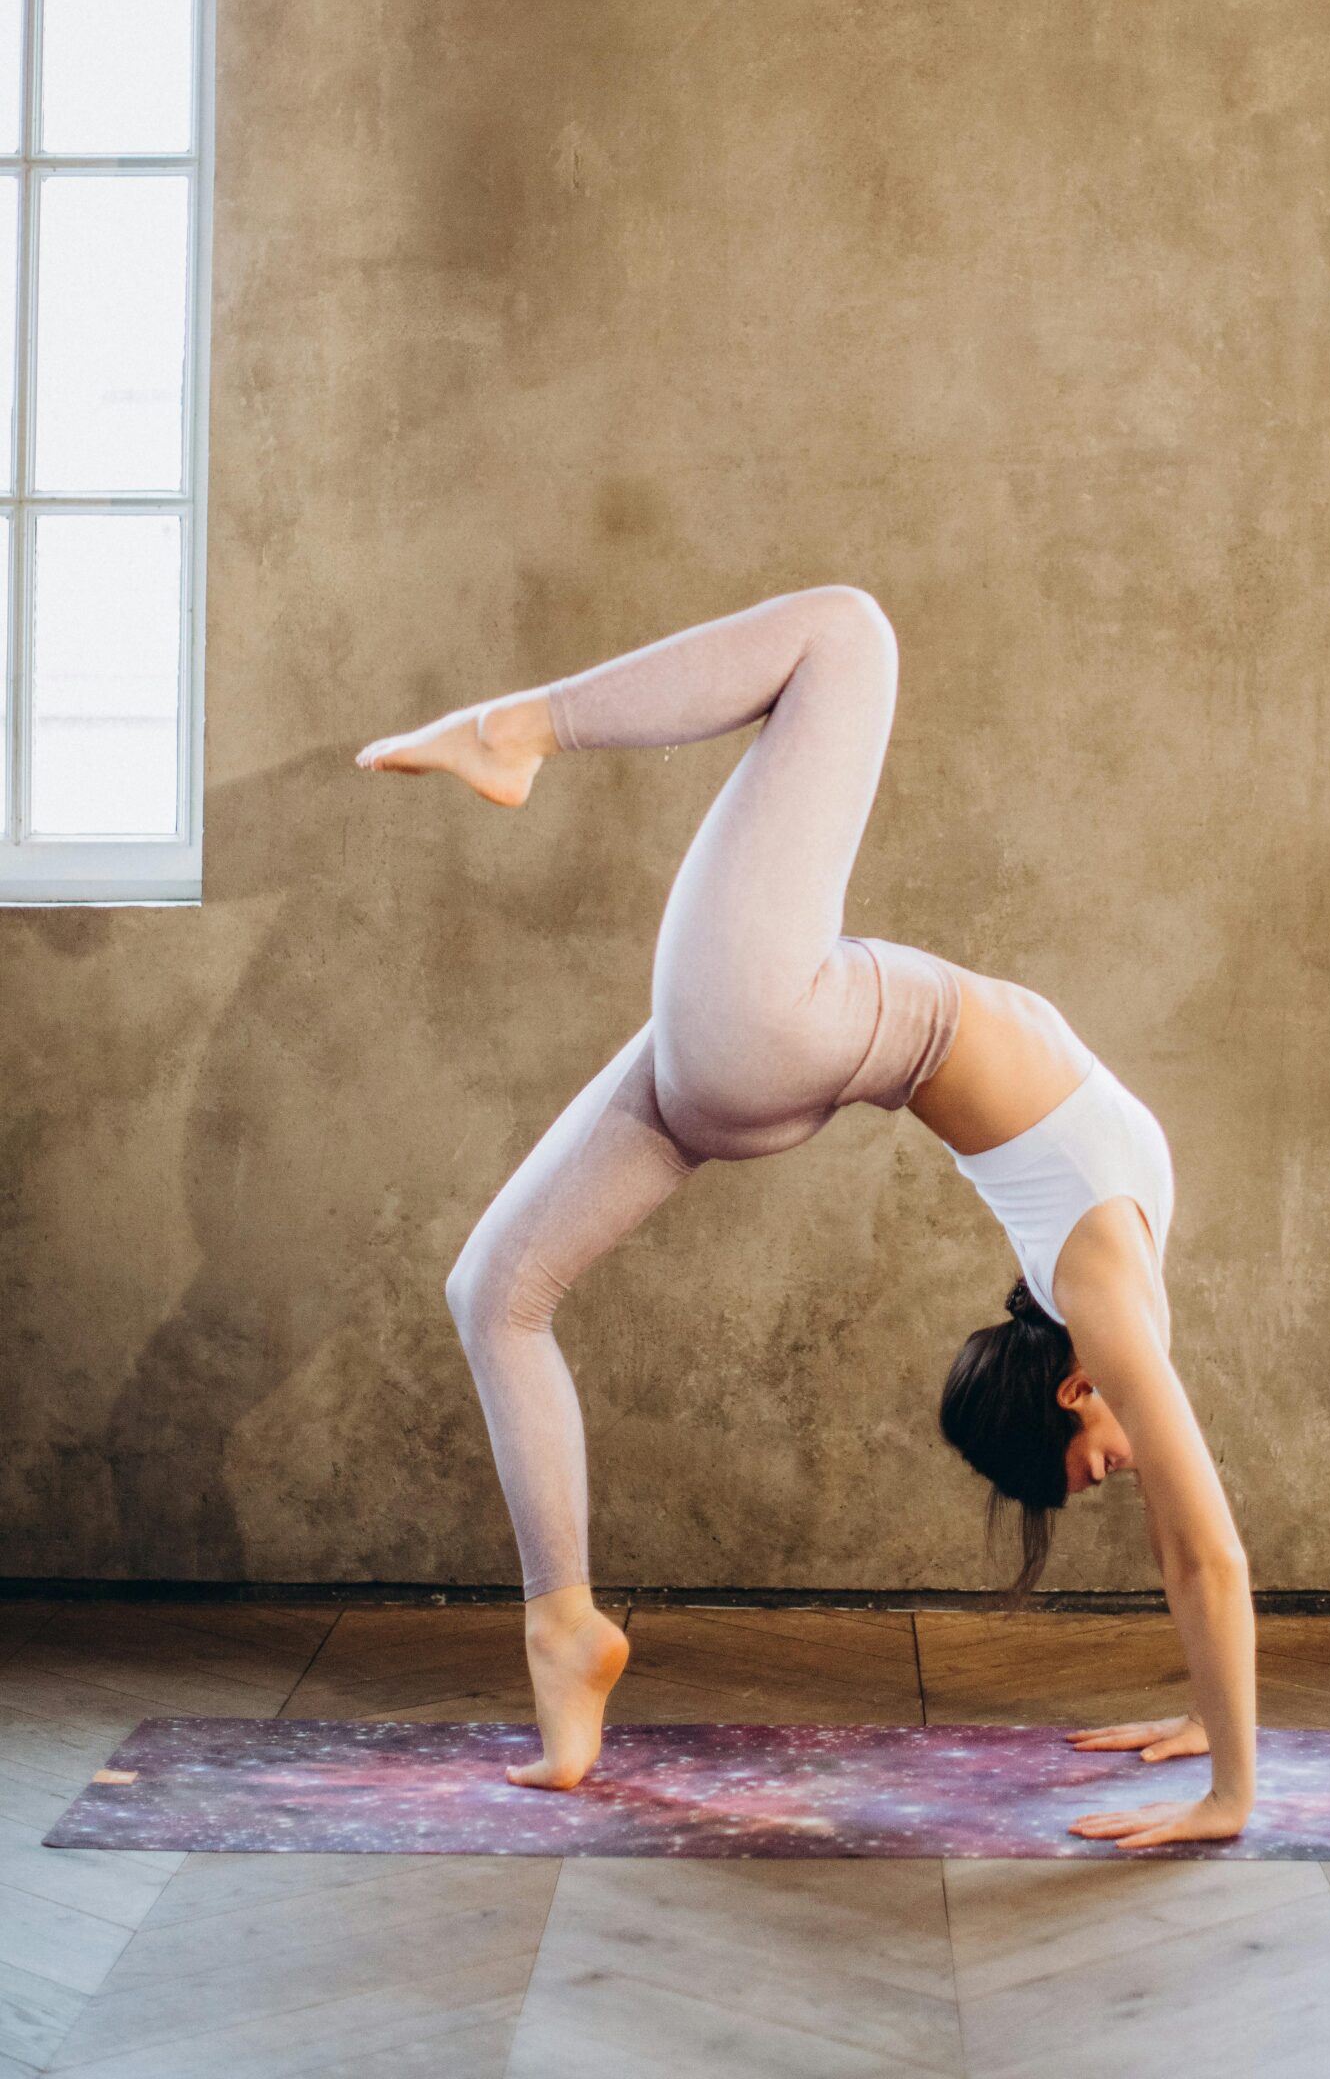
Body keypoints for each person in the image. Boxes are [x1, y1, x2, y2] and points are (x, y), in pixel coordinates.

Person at [357, 586, 1255, 1849]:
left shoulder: (1105, 1293)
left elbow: (1190, 1544)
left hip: (784, 1032)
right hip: (778, 1039)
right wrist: (1224, 1777)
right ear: (1067, 1394)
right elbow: (1200, 1551)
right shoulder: (1111, 1288)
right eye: (1093, 1465)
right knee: (492, 1293)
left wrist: (1221, 1752)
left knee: (854, 630)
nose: (1118, 1467)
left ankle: (520, 731)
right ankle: (563, 1628)